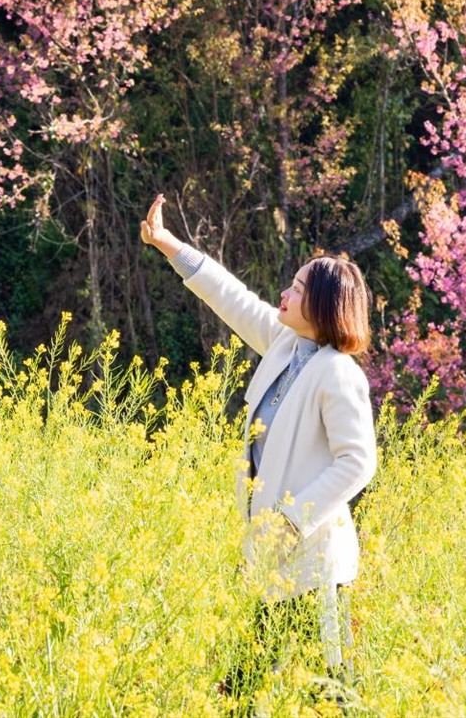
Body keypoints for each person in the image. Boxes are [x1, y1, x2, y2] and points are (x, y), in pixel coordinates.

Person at [140, 193, 378, 709]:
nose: (283, 294)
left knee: (332, 688)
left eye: (296, 289)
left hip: (311, 562)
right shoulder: (286, 345)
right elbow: (232, 297)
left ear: (323, 306)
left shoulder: (338, 374)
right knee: (247, 688)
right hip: (270, 558)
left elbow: (359, 461)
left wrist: (293, 519)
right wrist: (169, 245)